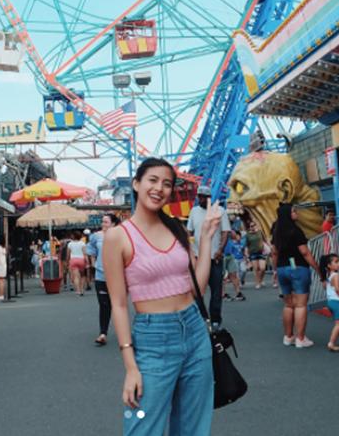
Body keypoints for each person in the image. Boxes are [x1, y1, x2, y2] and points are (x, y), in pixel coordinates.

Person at [104, 158, 222, 435]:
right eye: (152, 180)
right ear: (136, 184)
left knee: (194, 426)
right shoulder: (118, 237)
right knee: (143, 425)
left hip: (194, 330)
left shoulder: (176, 229)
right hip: (153, 338)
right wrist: (130, 366)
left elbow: (197, 289)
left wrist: (206, 238)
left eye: (166, 184)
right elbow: (119, 305)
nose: (159, 188)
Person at [270, 203, 320, 348]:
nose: (296, 212)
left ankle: (288, 336)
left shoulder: (276, 231)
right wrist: (317, 268)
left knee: (288, 304)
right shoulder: (296, 231)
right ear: (288, 214)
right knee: (300, 304)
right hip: (297, 268)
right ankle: (301, 338)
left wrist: (275, 269)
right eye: (293, 211)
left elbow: (274, 252)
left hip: (282, 268)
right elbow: (305, 253)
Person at [186, 184, 230, 329]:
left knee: (216, 291)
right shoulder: (194, 211)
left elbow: (225, 232)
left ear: (209, 197)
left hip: (215, 258)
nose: (201, 199)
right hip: (198, 258)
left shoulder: (220, 211)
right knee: (197, 291)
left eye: (204, 197)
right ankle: (202, 318)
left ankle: (215, 318)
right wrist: (191, 251)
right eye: (199, 196)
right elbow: (189, 232)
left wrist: (220, 250)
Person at [87, 213, 121, 346]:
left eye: (106, 222)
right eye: (102, 222)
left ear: (113, 224)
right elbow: (90, 250)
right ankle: (103, 333)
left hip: (117, 276)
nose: (103, 224)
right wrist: (94, 263)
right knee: (104, 305)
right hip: (101, 276)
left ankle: (123, 333)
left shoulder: (120, 236)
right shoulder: (96, 236)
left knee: (118, 305)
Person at [222, 230, 246, 301]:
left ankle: (238, 293)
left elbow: (234, 236)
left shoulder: (227, 228)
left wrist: (229, 229)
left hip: (230, 255)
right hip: (222, 254)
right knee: (222, 276)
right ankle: (223, 294)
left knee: (233, 274)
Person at [245, 221, 266, 289]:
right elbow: (246, 245)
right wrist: (247, 255)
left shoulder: (260, 232)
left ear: (256, 225)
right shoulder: (247, 235)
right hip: (253, 253)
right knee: (256, 269)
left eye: (253, 225)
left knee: (262, 268)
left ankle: (261, 280)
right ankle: (258, 283)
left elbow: (265, 240)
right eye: (251, 226)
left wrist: (270, 247)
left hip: (261, 252)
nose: (252, 227)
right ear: (249, 227)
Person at [68, 231, 88, 297]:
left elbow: (68, 254)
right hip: (81, 260)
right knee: (83, 276)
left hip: (73, 260)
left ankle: (78, 291)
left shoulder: (70, 244)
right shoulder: (82, 243)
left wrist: (68, 260)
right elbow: (85, 254)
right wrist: (87, 262)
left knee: (76, 276)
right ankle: (82, 290)